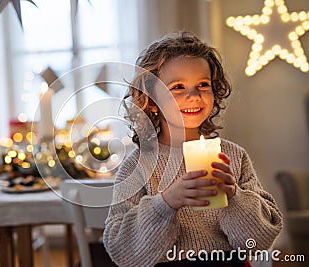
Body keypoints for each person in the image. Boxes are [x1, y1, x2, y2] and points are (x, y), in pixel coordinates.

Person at [102, 31, 283, 267]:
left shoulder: (234, 157)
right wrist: (166, 203)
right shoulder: (138, 166)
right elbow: (120, 249)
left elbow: (259, 242)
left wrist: (235, 197)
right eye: (178, 87)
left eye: (203, 85)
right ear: (152, 101)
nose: (194, 95)